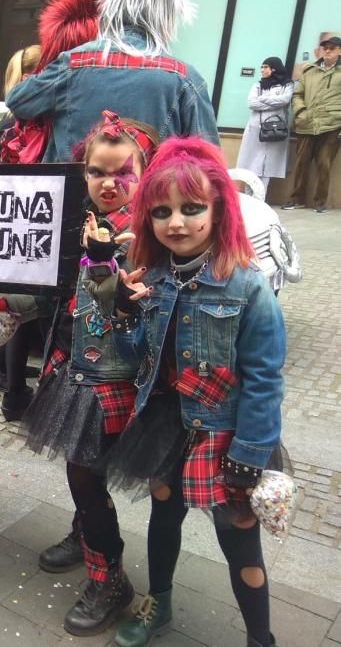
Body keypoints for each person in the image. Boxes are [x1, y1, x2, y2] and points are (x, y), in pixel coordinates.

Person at [0, 112, 159, 636]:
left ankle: (110, 577)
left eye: (122, 172)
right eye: (97, 172)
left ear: (142, 172)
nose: (109, 183)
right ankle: (87, 534)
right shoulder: (75, 225)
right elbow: (49, 289)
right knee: (83, 471)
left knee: (84, 473)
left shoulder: (153, 235)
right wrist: (1, 300)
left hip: (117, 381)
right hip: (69, 368)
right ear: (83, 173)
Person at [105, 137, 283, 647]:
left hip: (227, 433)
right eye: (162, 211)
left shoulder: (248, 286)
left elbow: (266, 379)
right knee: (164, 514)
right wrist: (122, 311)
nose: (176, 222)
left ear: (218, 208)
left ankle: (259, 638)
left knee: (239, 539)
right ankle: (157, 603)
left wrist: (249, 454)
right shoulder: (153, 277)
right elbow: (140, 353)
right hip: (166, 424)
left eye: (191, 208)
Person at [0, 0, 100, 416]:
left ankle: (16, 391)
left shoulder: (39, 102)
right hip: (50, 212)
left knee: (30, 305)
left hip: (30, 215)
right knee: (50, 307)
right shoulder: (67, 95)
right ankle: (32, 392)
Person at [6, 0, 219, 163]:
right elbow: (208, 163)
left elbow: (18, 101)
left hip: (70, 192)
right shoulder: (184, 79)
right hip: (145, 194)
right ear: (166, 17)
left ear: (111, 8)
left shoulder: (74, 63)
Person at [283, 35, 340, 213]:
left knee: (324, 165)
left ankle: (320, 202)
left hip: (331, 125)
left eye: (332, 48)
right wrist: (300, 112)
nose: (328, 51)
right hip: (306, 124)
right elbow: (297, 94)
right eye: (325, 48)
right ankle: (295, 199)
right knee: (301, 163)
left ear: (339, 51)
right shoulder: (309, 70)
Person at [236, 58, 293, 200]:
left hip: (275, 131)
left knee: (268, 167)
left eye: (266, 67)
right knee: (251, 164)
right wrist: (273, 101)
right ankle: (249, 197)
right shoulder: (258, 85)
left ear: (274, 68)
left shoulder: (287, 85)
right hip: (255, 131)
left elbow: (285, 100)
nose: (262, 70)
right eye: (261, 67)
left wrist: (263, 100)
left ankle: (260, 198)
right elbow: (252, 103)